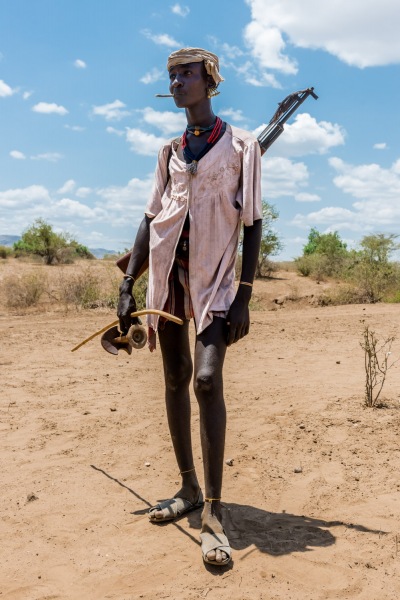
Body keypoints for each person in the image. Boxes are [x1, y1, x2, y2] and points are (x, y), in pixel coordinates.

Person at [117, 47, 262, 566]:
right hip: (169, 277)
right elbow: (150, 218)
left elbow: (253, 226)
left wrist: (245, 296)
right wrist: (127, 285)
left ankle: (215, 512)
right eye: (172, 75)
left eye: (187, 74)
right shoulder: (169, 152)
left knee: (206, 379)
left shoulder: (242, 147)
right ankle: (188, 489)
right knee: (175, 375)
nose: (177, 81)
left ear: (210, 82)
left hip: (219, 278)